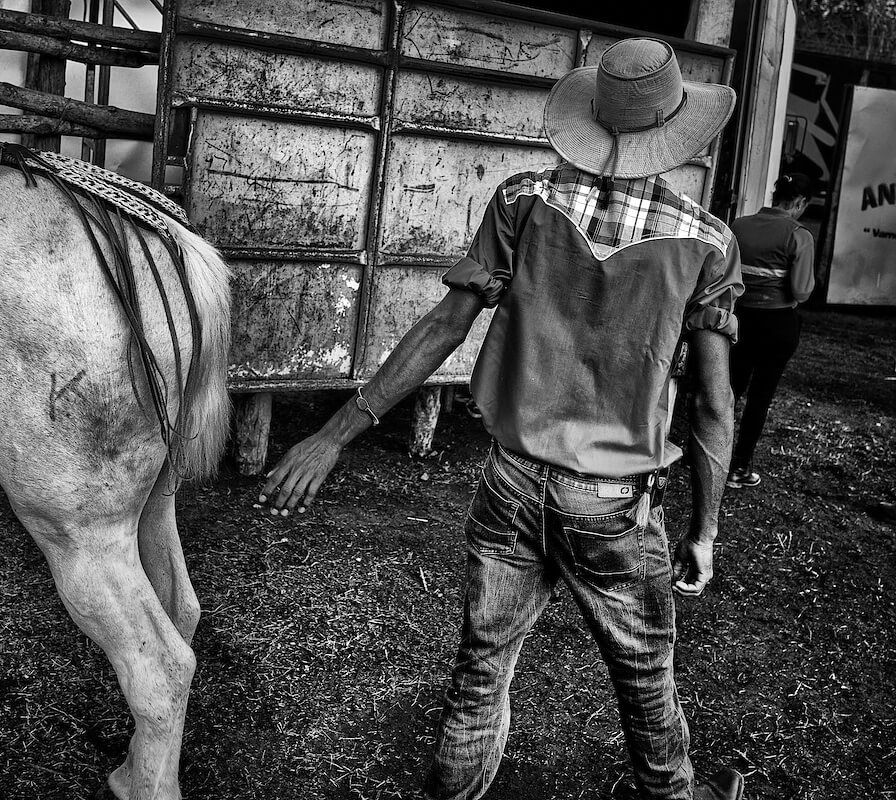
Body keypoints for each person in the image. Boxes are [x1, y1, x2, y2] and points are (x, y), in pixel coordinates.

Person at [261, 38, 746, 800]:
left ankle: (451, 791)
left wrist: (336, 432)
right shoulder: (708, 242)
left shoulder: (523, 201)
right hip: (612, 505)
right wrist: (705, 531)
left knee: (482, 665)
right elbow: (715, 405)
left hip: (511, 482)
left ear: (592, 118)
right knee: (646, 677)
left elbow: (444, 326)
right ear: (676, 130)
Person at [725, 173, 816, 488]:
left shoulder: (739, 225)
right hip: (777, 325)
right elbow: (802, 291)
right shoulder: (799, 235)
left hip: (741, 319)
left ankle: (712, 459)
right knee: (760, 398)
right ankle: (739, 469)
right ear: (800, 202)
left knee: (730, 392)